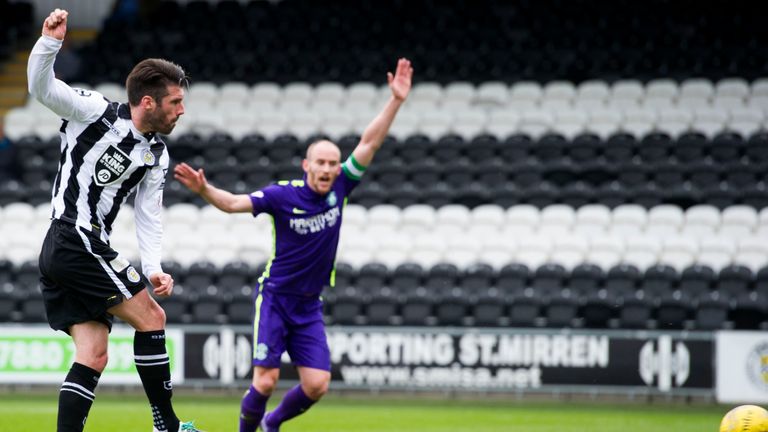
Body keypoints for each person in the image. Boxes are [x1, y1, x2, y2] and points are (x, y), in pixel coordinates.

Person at [174, 58, 413, 432]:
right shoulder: (282, 196)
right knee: (265, 380)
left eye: (333, 163)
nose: (327, 168)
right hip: (276, 297)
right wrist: (204, 189)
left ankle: (272, 423)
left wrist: (396, 100)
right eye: (320, 162)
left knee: (317, 385)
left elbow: (370, 141)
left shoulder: (341, 187)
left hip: (309, 304)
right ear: (306, 164)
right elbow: (234, 203)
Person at [28, 9, 202, 432]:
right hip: (74, 237)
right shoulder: (94, 112)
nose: (181, 111)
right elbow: (42, 89)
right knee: (153, 319)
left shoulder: (156, 154)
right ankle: (168, 425)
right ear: (148, 102)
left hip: (73, 248)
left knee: (93, 354)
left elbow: (148, 214)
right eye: (175, 102)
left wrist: (154, 267)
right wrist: (49, 44)